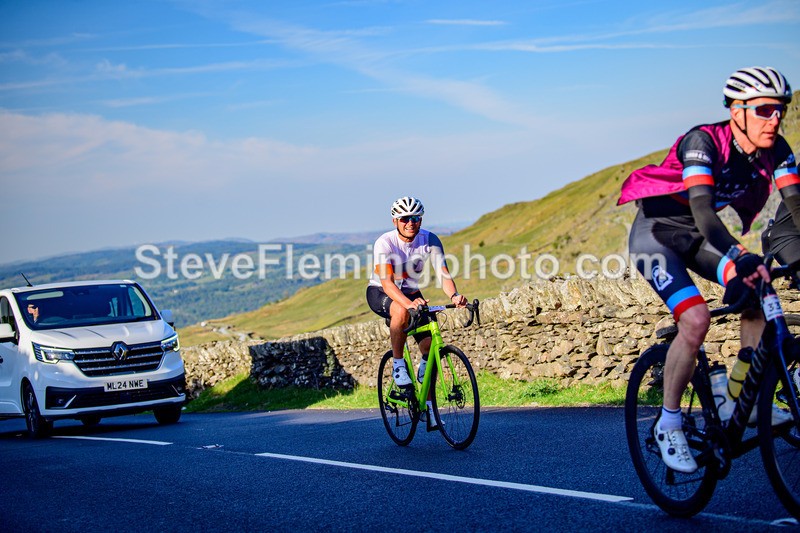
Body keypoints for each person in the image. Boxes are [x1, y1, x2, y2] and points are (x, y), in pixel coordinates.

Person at [618, 66, 797, 473]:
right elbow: (701, 209)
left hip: (699, 238)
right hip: (657, 235)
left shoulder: (777, 149)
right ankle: (668, 422)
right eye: (765, 110)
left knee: (756, 292)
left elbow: (797, 209)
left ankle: (737, 394)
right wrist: (740, 253)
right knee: (696, 320)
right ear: (738, 111)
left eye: (780, 110)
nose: (775, 119)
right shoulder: (703, 142)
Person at [366, 196, 468, 390]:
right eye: (404, 219)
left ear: (421, 219)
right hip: (380, 291)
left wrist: (454, 295)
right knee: (401, 311)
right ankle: (398, 364)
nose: (410, 223)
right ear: (395, 221)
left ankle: (429, 410)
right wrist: (408, 304)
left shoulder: (430, 239)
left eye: (415, 218)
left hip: (411, 292)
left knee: (430, 345)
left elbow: (443, 274)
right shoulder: (385, 243)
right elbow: (387, 284)